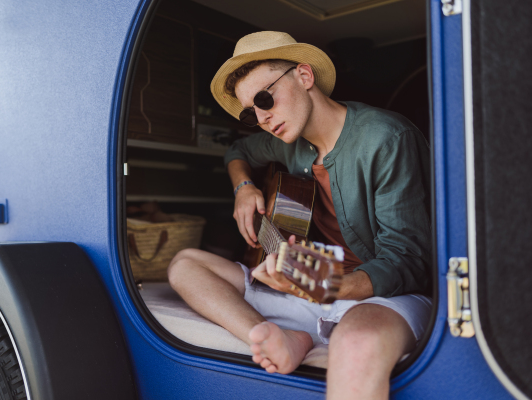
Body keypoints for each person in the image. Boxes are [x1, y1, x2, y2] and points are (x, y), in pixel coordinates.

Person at [167, 31, 432, 400]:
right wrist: (244, 189)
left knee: (356, 342)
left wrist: (315, 280)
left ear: (304, 77)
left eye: (264, 99)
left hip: (382, 296)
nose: (261, 118)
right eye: (250, 112)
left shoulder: (387, 138)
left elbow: (409, 262)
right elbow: (237, 150)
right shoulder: (286, 141)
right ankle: (284, 338)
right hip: (310, 288)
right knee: (184, 265)